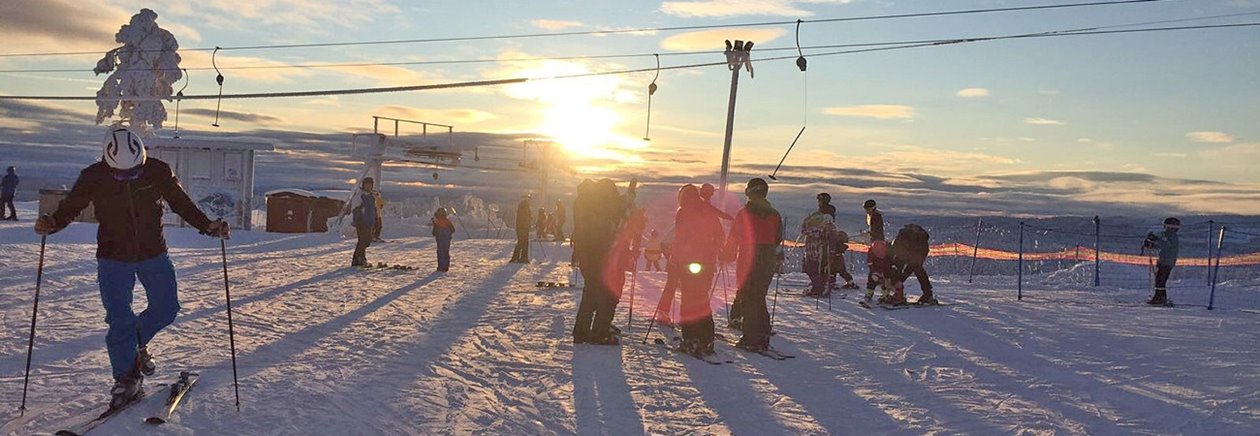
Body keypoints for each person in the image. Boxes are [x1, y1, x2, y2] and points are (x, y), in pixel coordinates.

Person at [34, 127, 230, 410]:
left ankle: (133, 350)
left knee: (166, 308)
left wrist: (208, 226)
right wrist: (53, 223)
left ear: (142, 158)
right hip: (113, 257)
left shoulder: (158, 172)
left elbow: (181, 203)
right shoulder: (94, 176)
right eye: (120, 174)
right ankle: (126, 379)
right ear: (107, 162)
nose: (127, 177)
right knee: (119, 319)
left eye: (133, 172)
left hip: (153, 253)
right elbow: (71, 206)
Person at [723, 178, 782, 353]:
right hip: (768, 257)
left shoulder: (744, 214)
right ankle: (763, 331)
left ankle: (751, 337)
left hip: (750, 256)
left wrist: (727, 255)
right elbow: (777, 237)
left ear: (750, 192)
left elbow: (734, 237)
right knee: (759, 295)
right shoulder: (774, 214)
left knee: (749, 296)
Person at [674, 184, 726, 356]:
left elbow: (680, 237)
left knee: (689, 300)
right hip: (707, 262)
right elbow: (719, 234)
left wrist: (675, 259)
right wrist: (717, 250)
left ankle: (690, 338)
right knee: (702, 299)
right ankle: (706, 339)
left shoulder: (683, 211)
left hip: (688, 261)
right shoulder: (708, 210)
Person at [572, 180, 622, 345]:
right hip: (600, 258)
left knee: (590, 294)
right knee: (608, 295)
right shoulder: (598, 213)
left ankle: (581, 331)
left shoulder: (588, 207)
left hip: (588, 258)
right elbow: (602, 237)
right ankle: (600, 332)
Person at [886, 224, 934, 306]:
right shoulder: (894, 248)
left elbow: (906, 267)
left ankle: (928, 294)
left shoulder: (897, 249)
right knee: (901, 271)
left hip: (920, 250)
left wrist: (899, 280)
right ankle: (899, 293)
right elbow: (896, 265)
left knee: (917, 268)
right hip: (911, 248)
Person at [1143, 217, 1181, 306]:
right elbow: (1162, 243)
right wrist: (1153, 240)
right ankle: (1160, 297)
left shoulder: (1172, 237)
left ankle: (1160, 298)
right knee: (1159, 280)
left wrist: (1152, 243)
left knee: (1161, 280)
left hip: (1167, 262)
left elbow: (1164, 245)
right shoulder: (1167, 236)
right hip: (1163, 261)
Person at [348, 177, 379, 267]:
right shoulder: (360, 196)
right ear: (363, 185)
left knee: (367, 241)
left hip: (369, 221)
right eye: (367, 185)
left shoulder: (371, 196)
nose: (368, 187)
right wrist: (359, 220)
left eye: (370, 185)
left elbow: (373, 209)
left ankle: (360, 258)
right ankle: (358, 259)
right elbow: (355, 209)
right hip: (361, 222)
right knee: (363, 240)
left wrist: (376, 219)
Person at [862, 199, 888, 301]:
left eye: (867, 209)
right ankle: (883, 293)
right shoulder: (876, 216)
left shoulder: (875, 216)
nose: (866, 211)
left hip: (877, 245)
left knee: (875, 270)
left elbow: (875, 230)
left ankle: (871, 293)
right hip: (878, 244)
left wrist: (869, 234)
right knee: (880, 271)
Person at [431, 207, 455, 272]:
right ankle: (445, 266)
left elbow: (434, 232)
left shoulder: (437, 222)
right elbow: (453, 230)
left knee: (440, 252)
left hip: (440, 240)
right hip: (446, 240)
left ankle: (441, 267)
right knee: (445, 252)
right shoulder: (448, 221)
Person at [510, 194, 531, 263]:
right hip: (522, 227)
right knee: (522, 242)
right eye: (527, 198)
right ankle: (517, 257)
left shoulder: (525, 206)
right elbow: (523, 217)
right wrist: (528, 220)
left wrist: (529, 219)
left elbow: (526, 216)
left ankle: (522, 257)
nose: (528, 200)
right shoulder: (524, 205)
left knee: (524, 242)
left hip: (524, 227)